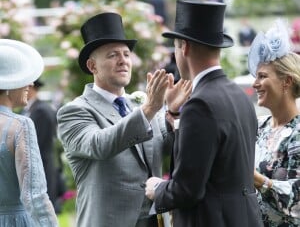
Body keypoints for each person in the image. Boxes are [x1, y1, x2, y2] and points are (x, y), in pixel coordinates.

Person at [56, 12, 191, 227]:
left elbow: (165, 146)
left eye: (126, 54)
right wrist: (149, 109)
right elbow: (100, 145)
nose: (123, 61)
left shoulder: (140, 103)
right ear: (92, 66)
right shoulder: (74, 111)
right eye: (112, 55)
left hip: (155, 220)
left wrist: (173, 114)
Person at [145, 0, 264, 227]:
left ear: (184, 47)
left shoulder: (199, 104)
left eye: (176, 47)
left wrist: (157, 188)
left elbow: (187, 189)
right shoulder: (239, 96)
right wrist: (175, 115)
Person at [0, 39, 58, 226]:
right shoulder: (20, 125)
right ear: (7, 86)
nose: (30, 84)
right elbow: (35, 196)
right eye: (22, 78)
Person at [248, 19, 300, 226]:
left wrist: (255, 179)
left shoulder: (297, 131)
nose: (255, 83)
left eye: (262, 76)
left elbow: (297, 200)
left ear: (286, 81)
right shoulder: (259, 126)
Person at [23, 78, 64, 213]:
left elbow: (40, 144)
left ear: (32, 88)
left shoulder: (41, 110)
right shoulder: (34, 109)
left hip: (43, 167)